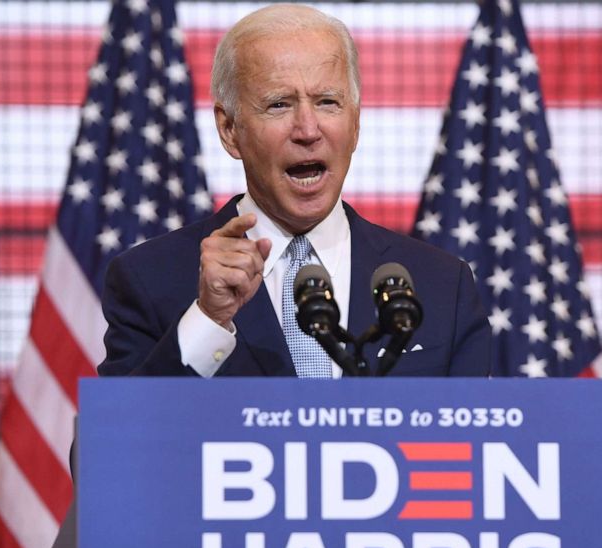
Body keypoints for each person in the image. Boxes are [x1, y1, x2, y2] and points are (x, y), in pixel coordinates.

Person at [98, 3, 491, 378]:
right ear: (230, 130)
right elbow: (108, 446)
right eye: (279, 105)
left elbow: (482, 442)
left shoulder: (441, 285)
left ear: (355, 123)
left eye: (327, 102)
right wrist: (209, 321)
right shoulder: (151, 279)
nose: (307, 130)